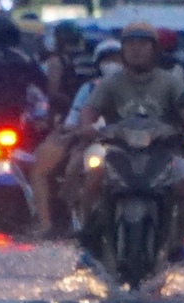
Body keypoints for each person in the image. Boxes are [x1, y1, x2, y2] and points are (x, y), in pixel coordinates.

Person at [74, 22, 184, 256]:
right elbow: (89, 110)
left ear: (154, 50)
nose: (136, 50)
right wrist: (87, 127)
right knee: (93, 177)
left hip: (164, 155)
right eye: (130, 44)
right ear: (123, 51)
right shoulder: (111, 83)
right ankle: (89, 234)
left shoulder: (170, 81)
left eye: (143, 44)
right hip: (117, 153)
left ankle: (177, 239)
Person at [29, 38, 122, 236]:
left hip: (126, 145)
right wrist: (69, 133)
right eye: (108, 59)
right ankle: (49, 222)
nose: (113, 63)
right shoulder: (88, 89)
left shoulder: (136, 89)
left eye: (117, 58)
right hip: (89, 143)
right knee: (59, 165)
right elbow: (73, 120)